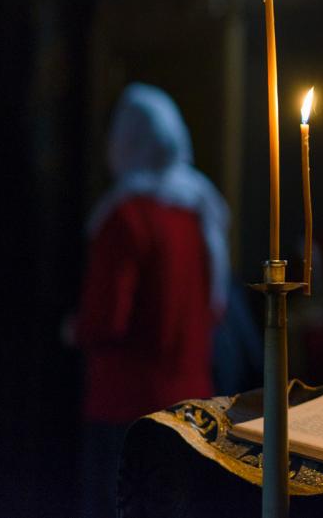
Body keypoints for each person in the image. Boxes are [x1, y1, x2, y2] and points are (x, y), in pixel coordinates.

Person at [66, 83, 230, 518]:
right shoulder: (199, 209)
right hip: (192, 409)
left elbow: (107, 318)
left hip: (127, 408)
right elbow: (216, 309)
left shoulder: (125, 216)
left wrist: (74, 329)